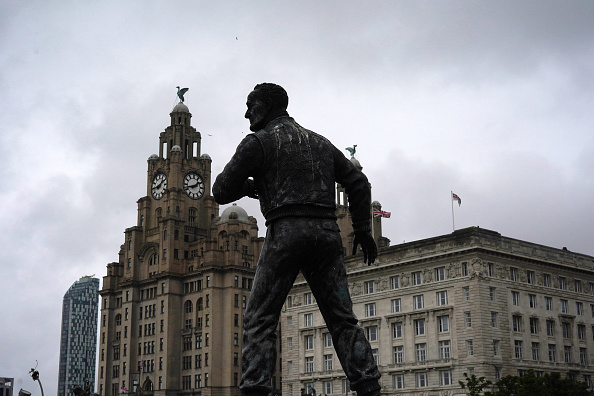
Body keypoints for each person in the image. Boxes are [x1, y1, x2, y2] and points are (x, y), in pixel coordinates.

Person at [213, 83, 381, 396]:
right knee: (344, 320)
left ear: (266, 106)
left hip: (286, 231)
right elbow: (358, 183)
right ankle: (369, 387)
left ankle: (255, 390)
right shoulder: (320, 142)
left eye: (251, 105)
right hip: (327, 235)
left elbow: (220, 190)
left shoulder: (258, 143)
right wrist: (362, 230)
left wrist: (249, 185)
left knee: (259, 319)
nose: (247, 112)